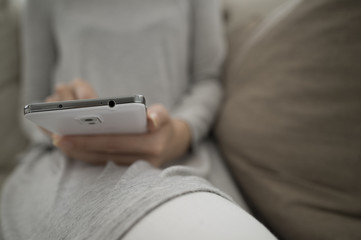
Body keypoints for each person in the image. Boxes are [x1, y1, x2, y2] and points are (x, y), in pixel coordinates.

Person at [1, 0, 276, 239]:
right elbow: (30, 106)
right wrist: (60, 119)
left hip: (178, 158)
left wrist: (180, 133)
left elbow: (208, 78)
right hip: (68, 163)